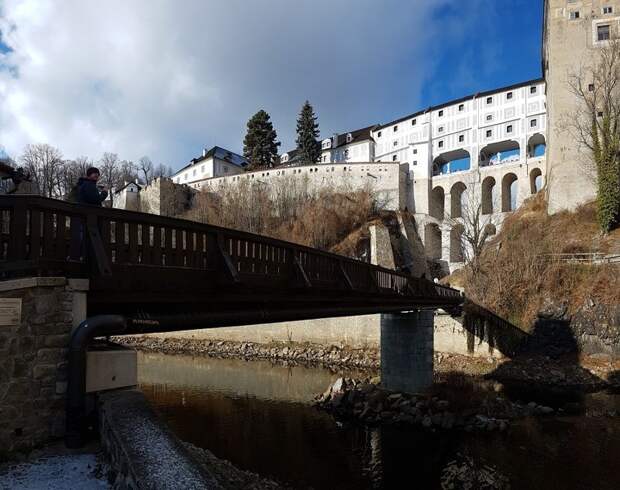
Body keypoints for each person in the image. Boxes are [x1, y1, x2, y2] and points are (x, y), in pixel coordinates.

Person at [68, 167, 108, 260]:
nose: (97, 176)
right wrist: (104, 193)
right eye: (94, 174)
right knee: (86, 239)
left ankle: (79, 257)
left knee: (83, 238)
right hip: (87, 216)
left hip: (84, 216)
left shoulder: (85, 184)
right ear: (89, 175)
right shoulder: (88, 184)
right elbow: (95, 199)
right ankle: (81, 258)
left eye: (98, 174)